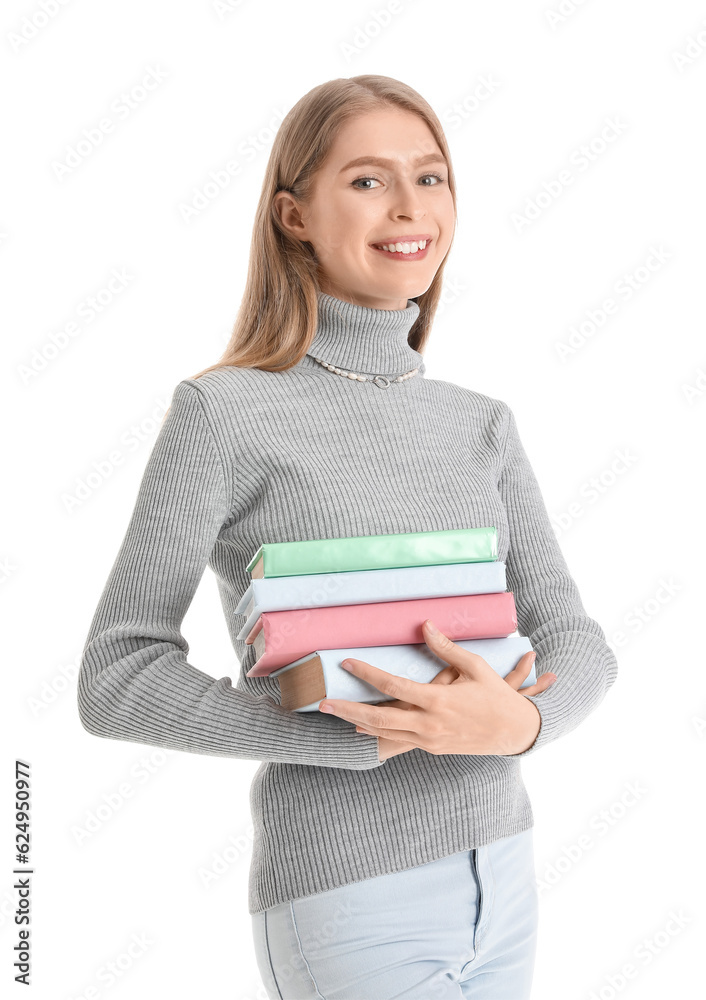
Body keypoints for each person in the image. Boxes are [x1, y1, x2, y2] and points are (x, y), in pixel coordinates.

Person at [77, 75, 618, 999]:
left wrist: (517, 724)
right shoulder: (223, 412)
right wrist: (356, 736)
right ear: (294, 214)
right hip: (350, 894)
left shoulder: (478, 422)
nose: (412, 208)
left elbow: (578, 643)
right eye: (368, 181)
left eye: (433, 177)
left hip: (508, 875)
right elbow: (116, 679)